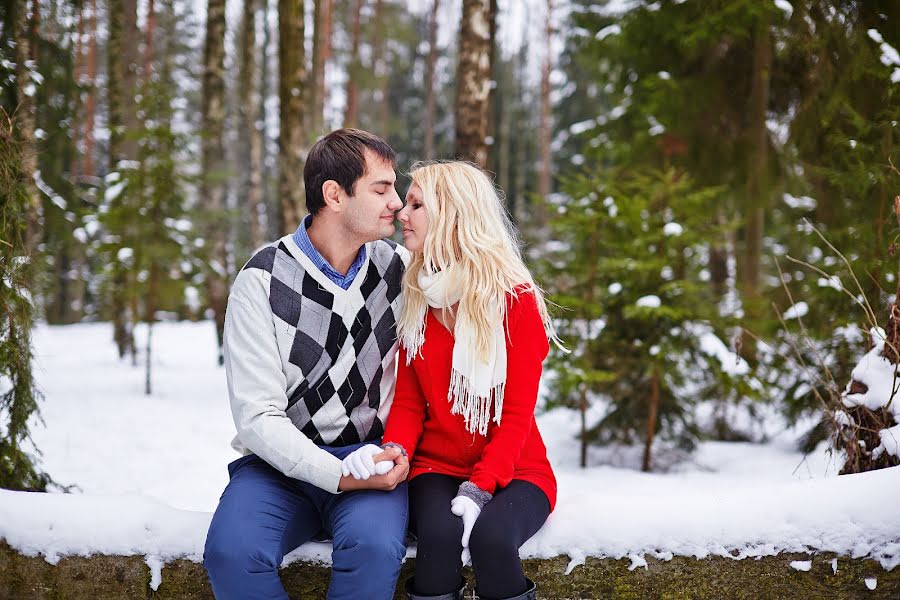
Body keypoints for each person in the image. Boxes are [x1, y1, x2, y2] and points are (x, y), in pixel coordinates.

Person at [203, 128, 413, 600]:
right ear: (334, 195)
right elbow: (257, 417)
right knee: (231, 555)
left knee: (375, 549)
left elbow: (474, 284)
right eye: (381, 189)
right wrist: (333, 473)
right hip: (278, 467)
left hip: (370, 458)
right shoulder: (262, 280)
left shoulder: (401, 270)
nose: (396, 202)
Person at [350, 161, 560, 600]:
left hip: (516, 468)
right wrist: (396, 450)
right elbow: (408, 403)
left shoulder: (515, 301)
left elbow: (517, 414)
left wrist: (481, 487)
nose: (400, 214)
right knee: (437, 543)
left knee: (493, 541)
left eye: (416, 204)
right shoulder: (418, 296)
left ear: (453, 215)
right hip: (436, 466)